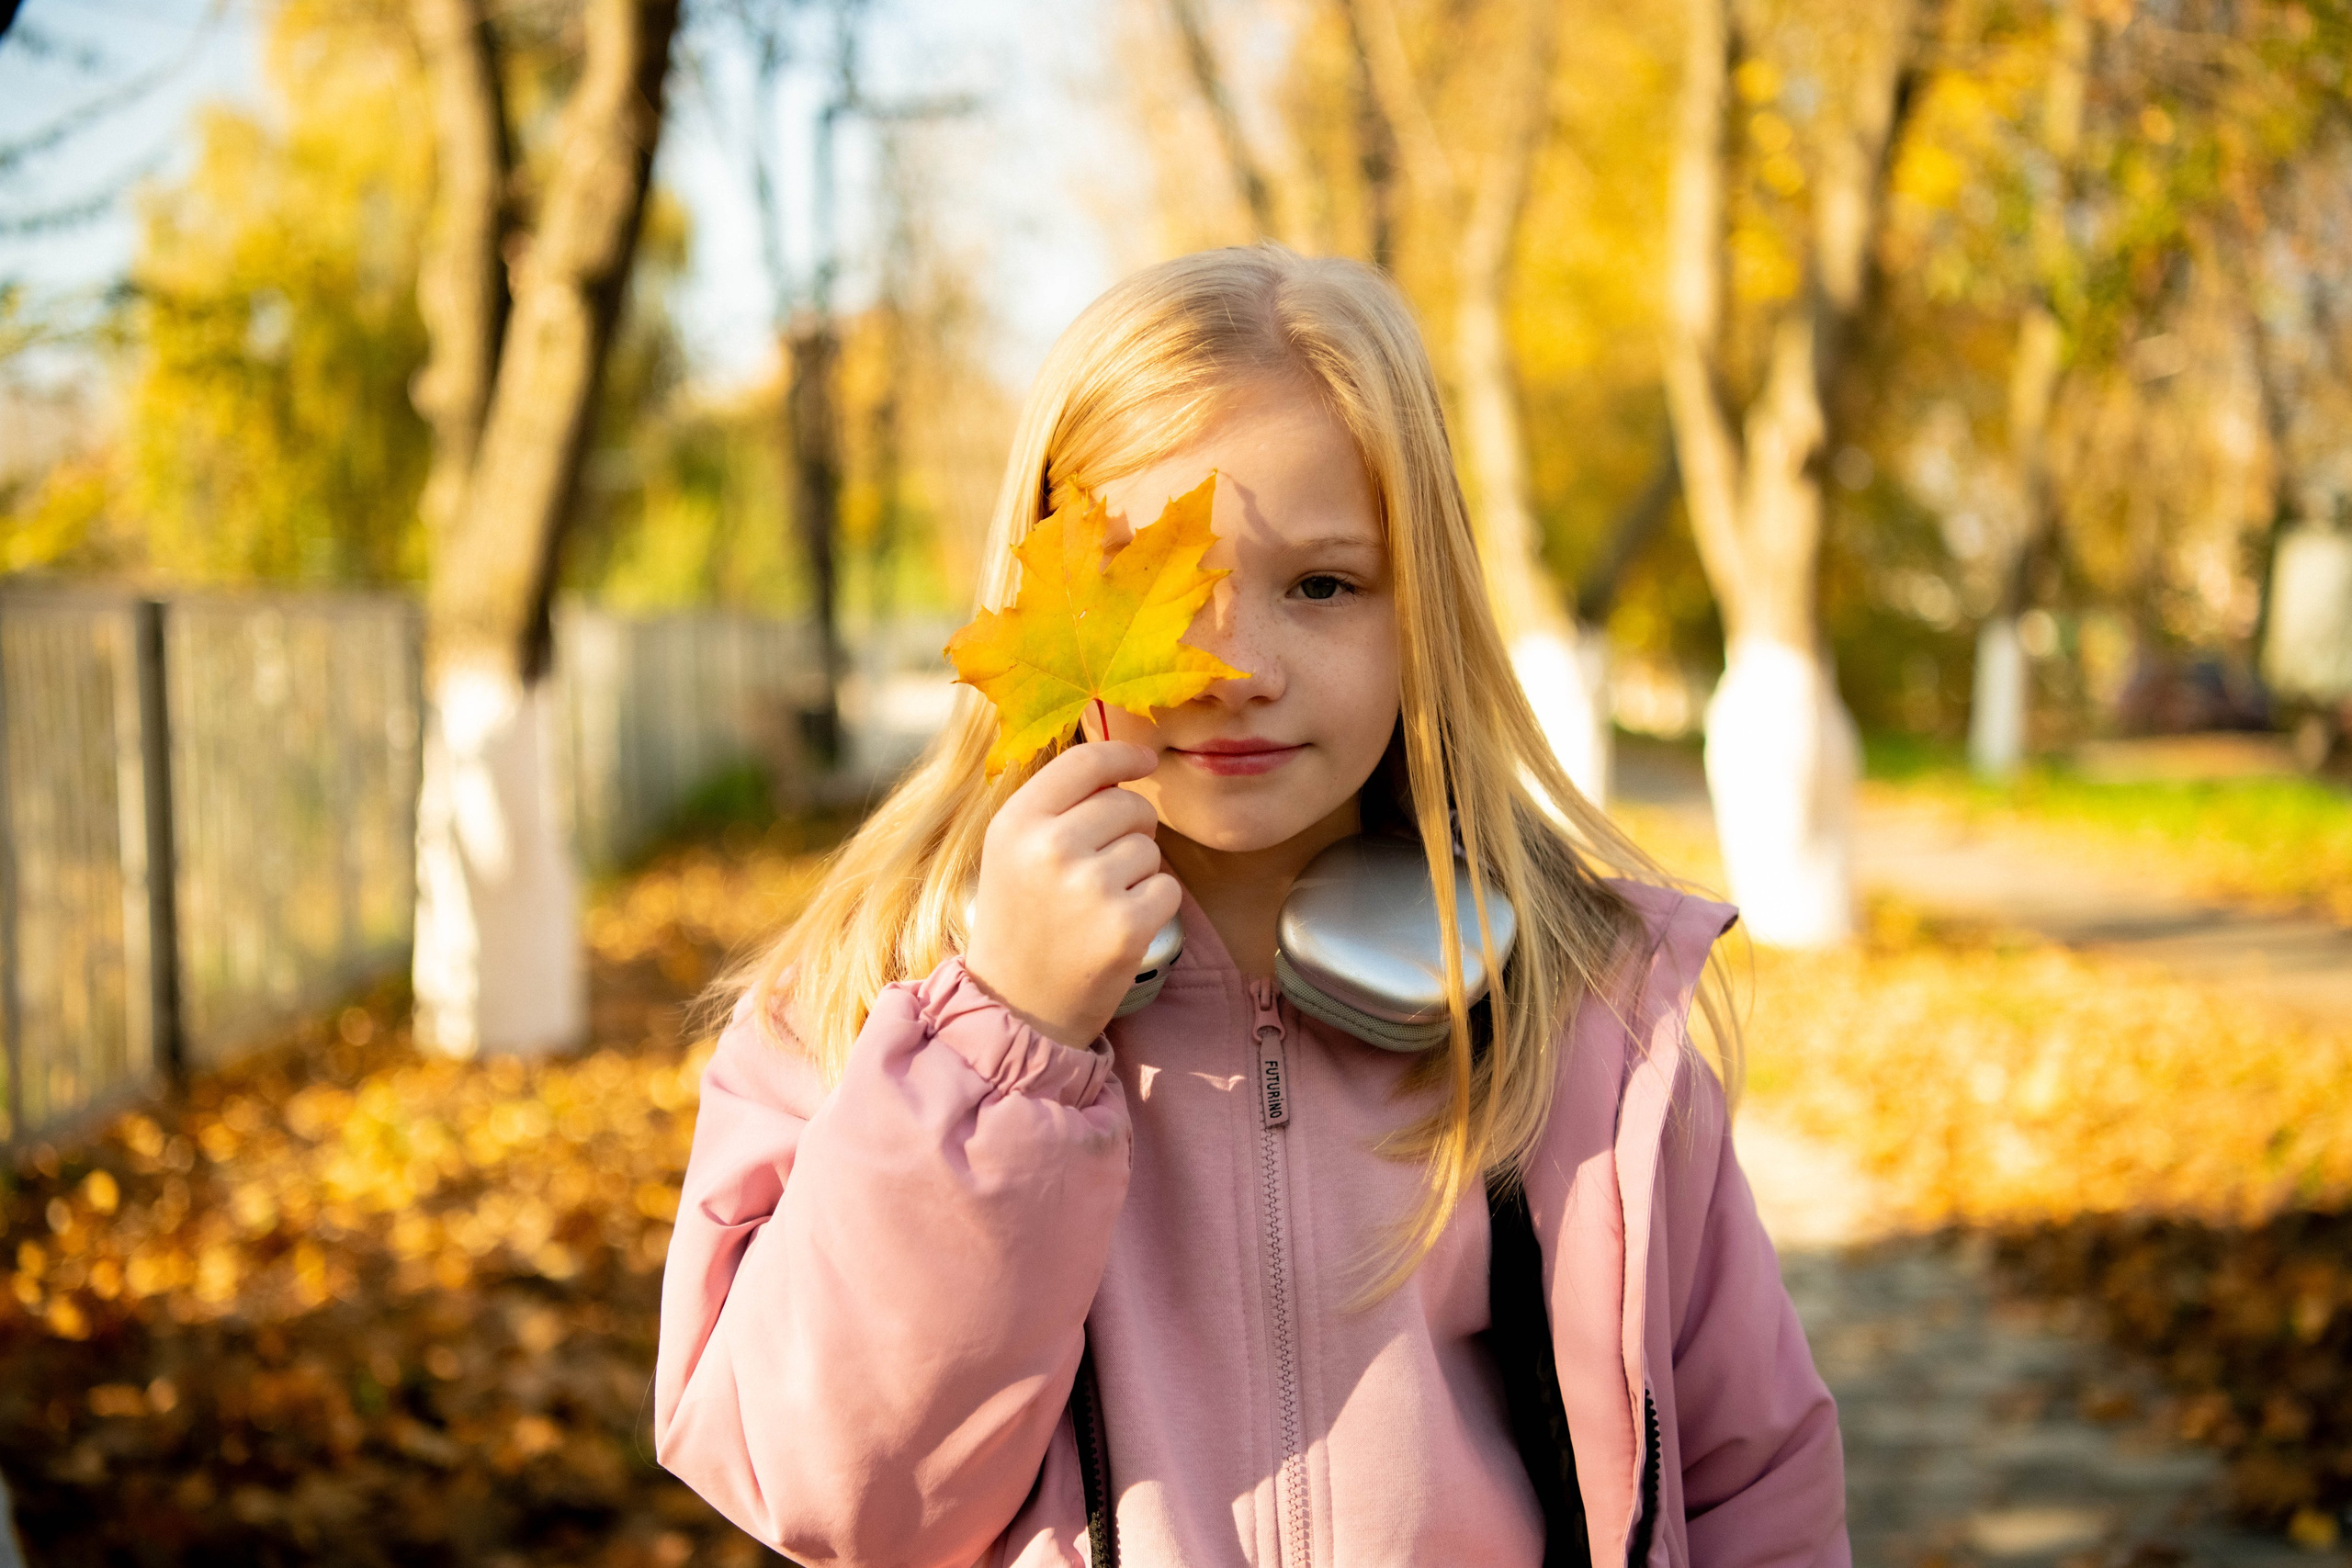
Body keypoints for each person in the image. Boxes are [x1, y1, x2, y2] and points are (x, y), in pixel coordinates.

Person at [653, 245, 1847, 1567]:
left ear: (1424, 613)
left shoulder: (1582, 1016)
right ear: (1044, 598)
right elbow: (835, 1494)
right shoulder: (871, 1003)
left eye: (1322, 586)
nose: (1237, 670)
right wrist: (1004, 1048)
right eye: (1166, 600)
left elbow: (1754, 1480)